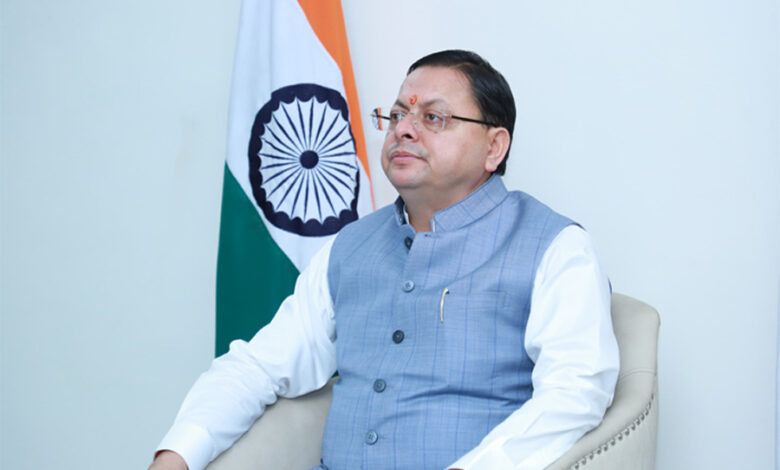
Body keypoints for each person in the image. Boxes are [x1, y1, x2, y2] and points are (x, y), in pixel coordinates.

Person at [149, 49, 619, 470]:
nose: (403, 129)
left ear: (494, 147)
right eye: (396, 115)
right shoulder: (351, 246)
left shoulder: (555, 247)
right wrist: (176, 456)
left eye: (434, 118)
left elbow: (575, 392)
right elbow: (259, 367)